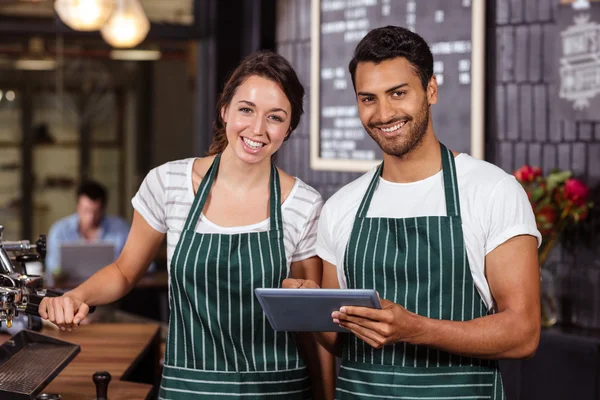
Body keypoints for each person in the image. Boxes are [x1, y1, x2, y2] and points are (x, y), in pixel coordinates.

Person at [39, 51, 335, 400]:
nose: (257, 129)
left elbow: (311, 323)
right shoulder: (168, 183)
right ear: (224, 109)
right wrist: (77, 296)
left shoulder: (304, 203)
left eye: (275, 117)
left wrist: (326, 395)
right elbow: (123, 272)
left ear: (290, 129)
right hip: (187, 389)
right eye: (246, 109)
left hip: (276, 390)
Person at [284, 26, 541, 399]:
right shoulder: (342, 206)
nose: (384, 113)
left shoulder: (493, 191)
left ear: (431, 90)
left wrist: (414, 328)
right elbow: (341, 344)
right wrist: (313, 309)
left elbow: (523, 333)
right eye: (368, 98)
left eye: (398, 93)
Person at [45, 180, 130, 277]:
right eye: (86, 210)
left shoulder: (120, 228)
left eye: (96, 211)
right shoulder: (60, 230)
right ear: (78, 207)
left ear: (103, 208)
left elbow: (138, 264)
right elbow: (52, 268)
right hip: (70, 289)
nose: (91, 217)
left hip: (110, 289)